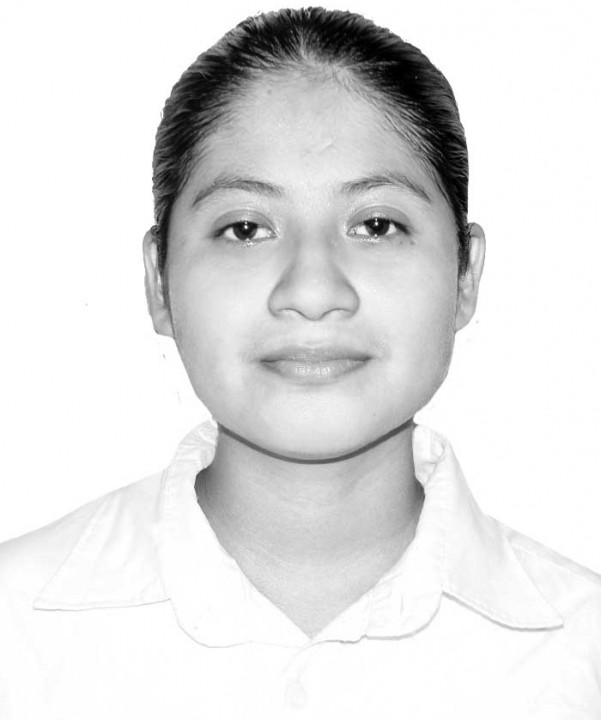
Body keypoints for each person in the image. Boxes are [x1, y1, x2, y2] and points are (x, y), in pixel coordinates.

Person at [0, 7, 599, 719]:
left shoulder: (582, 657)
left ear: (465, 275)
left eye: (376, 225)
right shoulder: (17, 635)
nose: (312, 291)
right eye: (245, 229)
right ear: (159, 283)